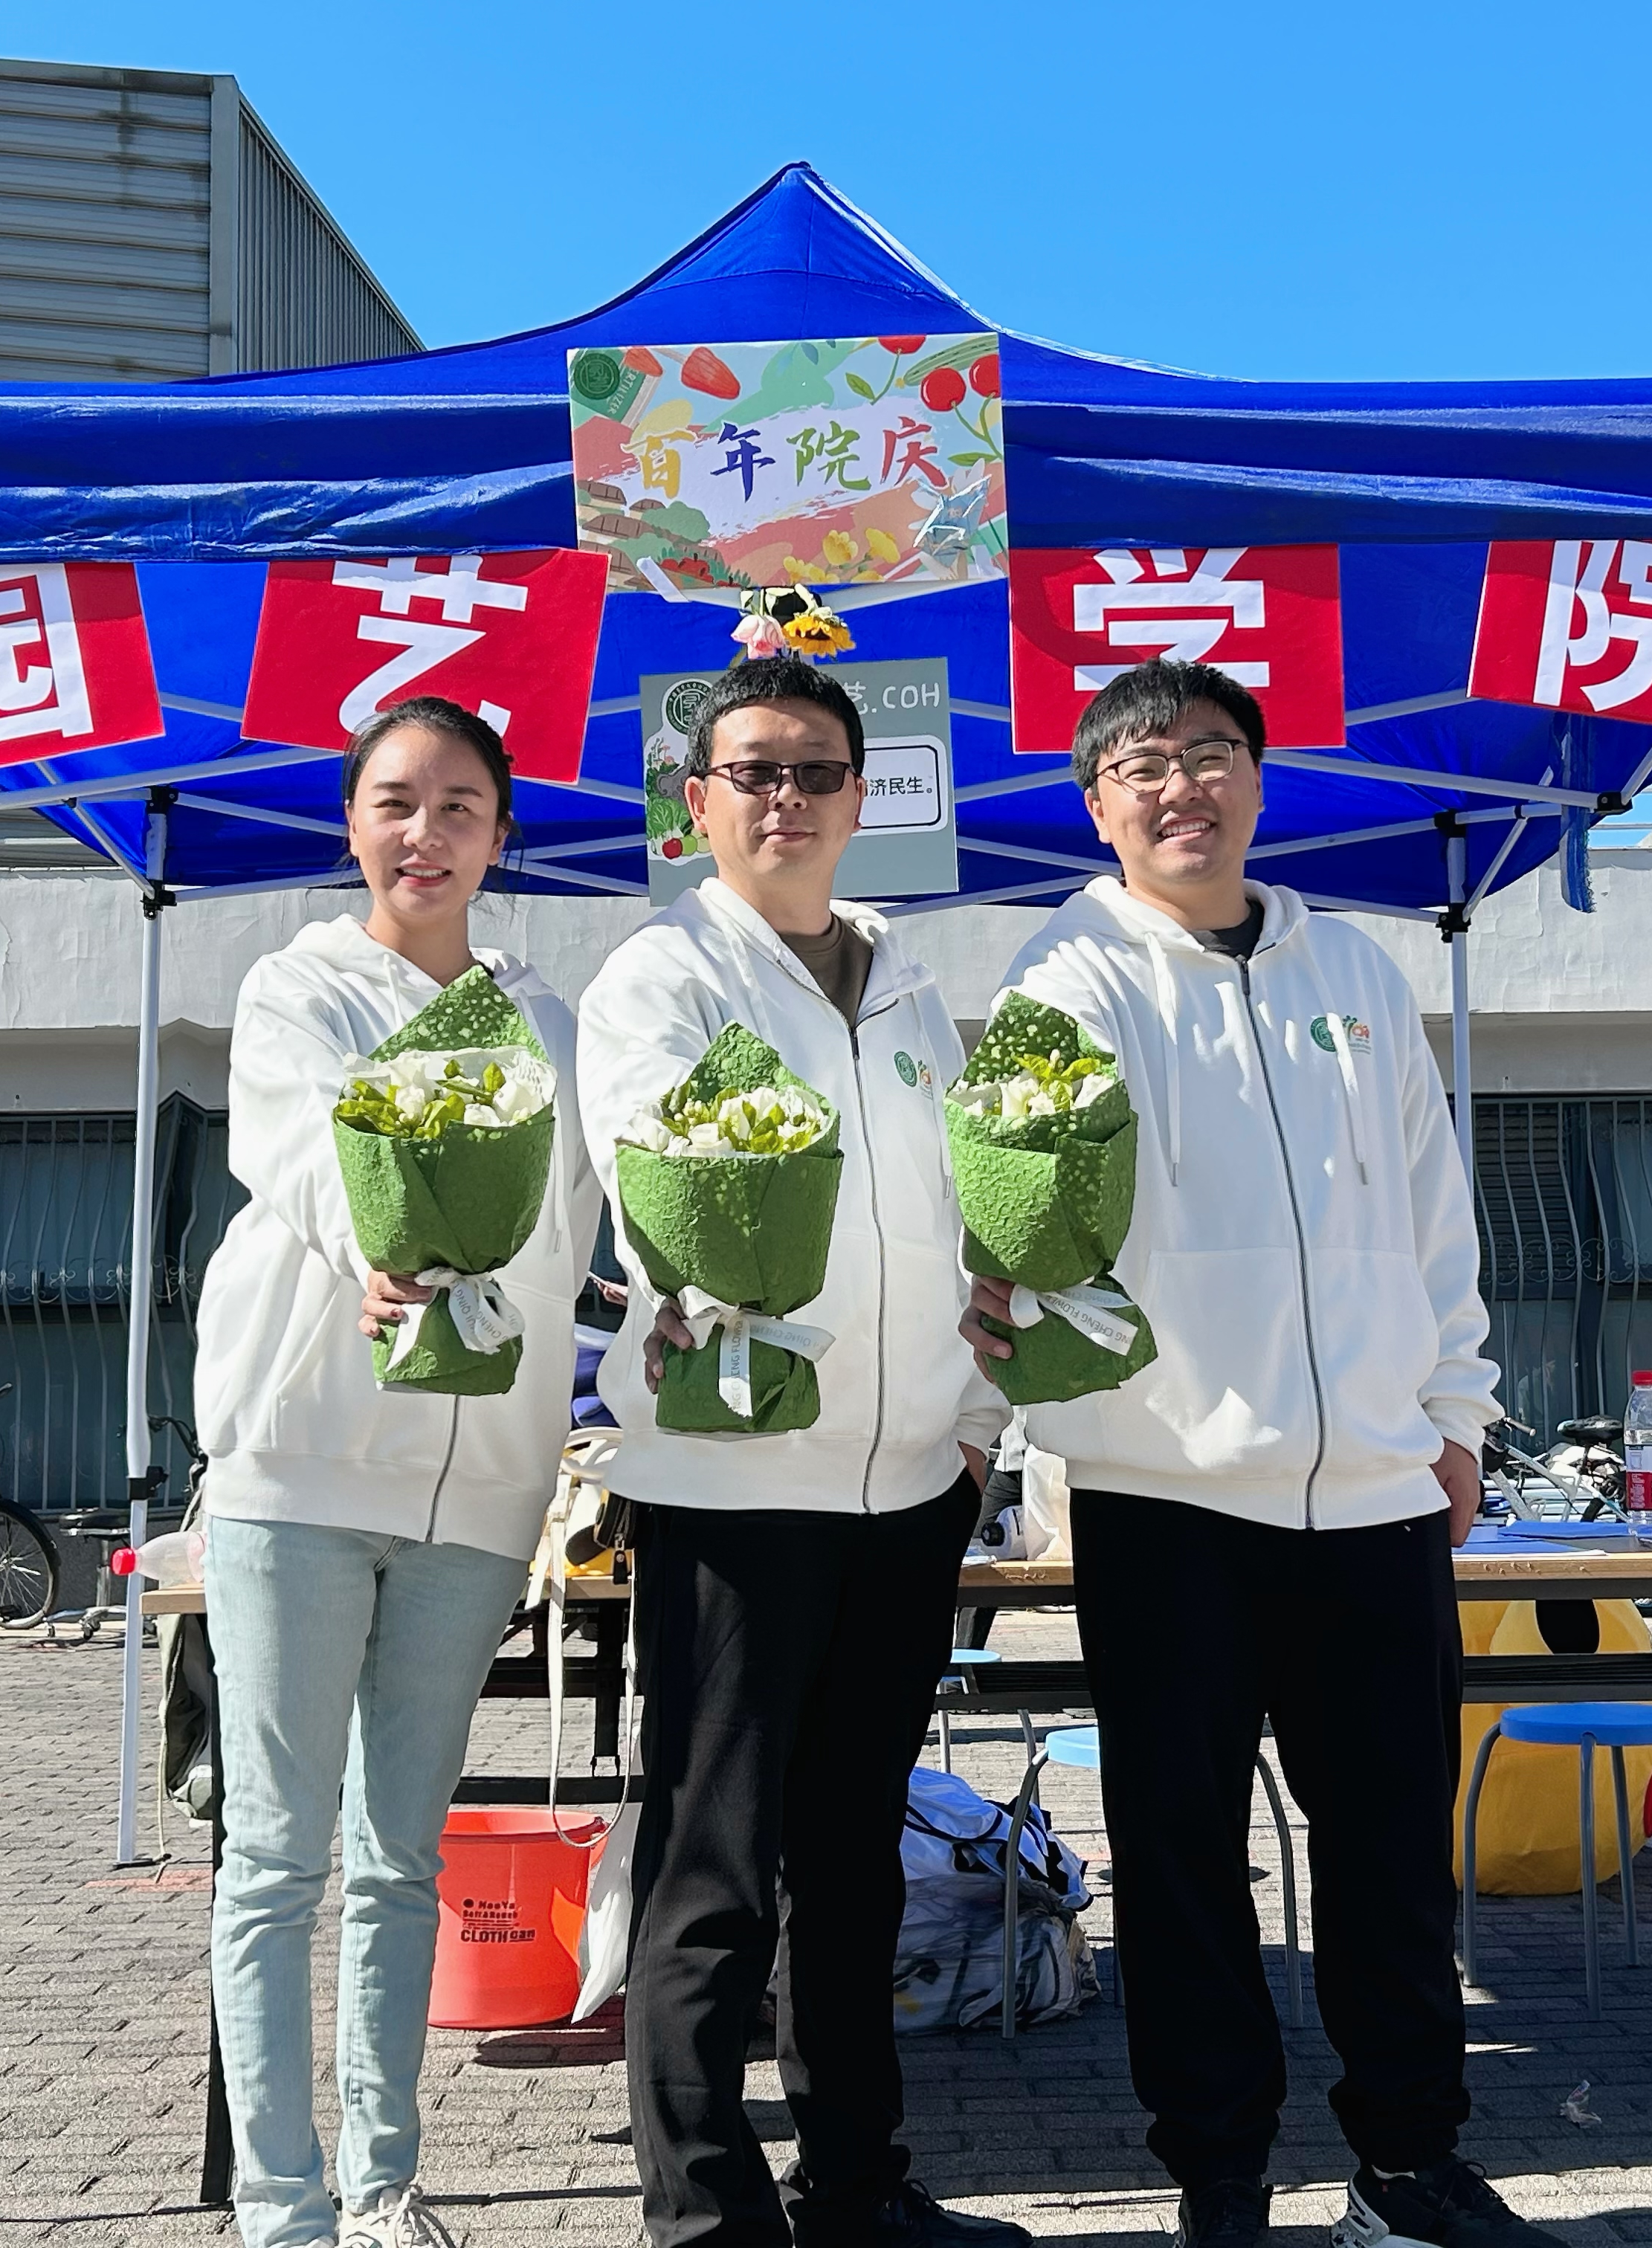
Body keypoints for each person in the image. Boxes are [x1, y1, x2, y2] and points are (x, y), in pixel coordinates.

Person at [963, 660, 1557, 2248]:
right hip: (1168, 1497)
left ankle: (1410, 2162)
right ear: (1097, 804)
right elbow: (1027, 1236)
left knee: (1389, 1861)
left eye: (1212, 753)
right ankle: (1217, 2176)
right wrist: (1047, 1422)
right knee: (1179, 1859)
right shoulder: (1064, 981)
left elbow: (1436, 1214)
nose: (1183, 786)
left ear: (1260, 776)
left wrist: (1455, 1412)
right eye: (1144, 764)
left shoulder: (1352, 968)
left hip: (1374, 1494)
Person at [573, 656, 1017, 2248]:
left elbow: (974, 1223)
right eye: (751, 771)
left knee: (855, 1868)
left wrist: (974, 1435)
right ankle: (701, 2213)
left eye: (815, 772)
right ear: (697, 805)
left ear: (861, 799)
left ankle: (859, 2186)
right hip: (734, 1492)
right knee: (714, 1870)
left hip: (904, 1499)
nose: (784, 799)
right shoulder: (660, 978)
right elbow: (660, 1186)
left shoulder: (911, 987)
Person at [194, 698, 601, 2248]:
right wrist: (379, 1246)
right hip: (300, 1471)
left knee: (397, 1862)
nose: (424, 833)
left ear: (501, 836)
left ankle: (383, 2185)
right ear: (351, 825)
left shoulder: (546, 1017)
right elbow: (296, 1152)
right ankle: (281, 2207)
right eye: (395, 802)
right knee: (278, 1858)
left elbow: (578, 1227)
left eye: (457, 808)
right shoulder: (297, 985)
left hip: (479, 1493)